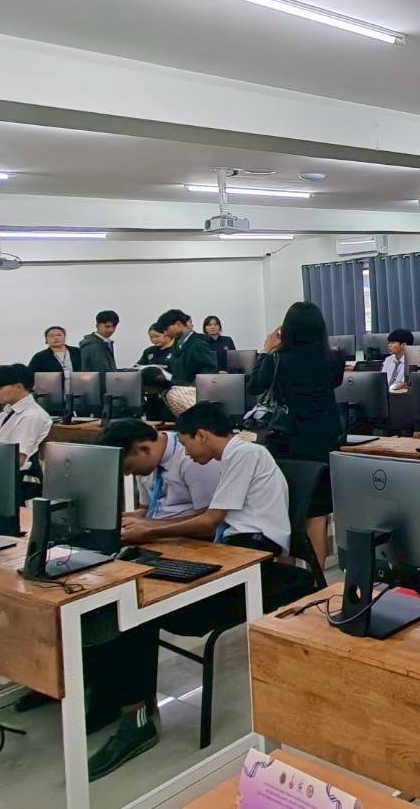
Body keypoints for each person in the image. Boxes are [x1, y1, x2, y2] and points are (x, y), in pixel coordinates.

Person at [87, 403, 289, 779]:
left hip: (251, 553)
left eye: (186, 444)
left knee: (140, 605)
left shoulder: (244, 454)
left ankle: (136, 720)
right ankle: (117, 703)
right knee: (128, 591)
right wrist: (147, 528)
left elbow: (211, 520)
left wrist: (150, 532)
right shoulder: (232, 457)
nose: (186, 453)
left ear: (201, 435)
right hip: (229, 548)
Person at [249, 301, 344, 565]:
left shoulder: (276, 359)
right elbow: (334, 382)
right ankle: (317, 576)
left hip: (285, 438)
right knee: (317, 512)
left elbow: (254, 386)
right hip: (322, 439)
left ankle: (288, 572)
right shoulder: (334, 358)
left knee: (285, 508)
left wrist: (266, 350)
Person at [112, 418, 221, 523]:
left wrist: (149, 526)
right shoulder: (146, 465)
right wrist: (125, 520)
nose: (127, 474)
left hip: (188, 534)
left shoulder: (193, 456)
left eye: (128, 467)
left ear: (144, 449)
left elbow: (208, 521)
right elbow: (148, 509)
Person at [0, 363, 52, 468]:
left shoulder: (33, 416)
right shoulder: (2, 415)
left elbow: (18, 459)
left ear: (19, 387)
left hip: (13, 474)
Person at [157, 309, 218, 387]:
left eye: (166, 329)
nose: (165, 333)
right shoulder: (177, 343)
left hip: (192, 391)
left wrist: (191, 388)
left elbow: (208, 371)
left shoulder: (198, 343)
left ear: (178, 324)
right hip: (178, 390)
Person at [28, 326, 81, 394]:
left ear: (65, 337)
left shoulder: (77, 352)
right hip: (52, 394)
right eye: (51, 336)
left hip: (78, 392)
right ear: (46, 340)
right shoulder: (40, 357)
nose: (56, 338)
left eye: (59, 335)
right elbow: (30, 376)